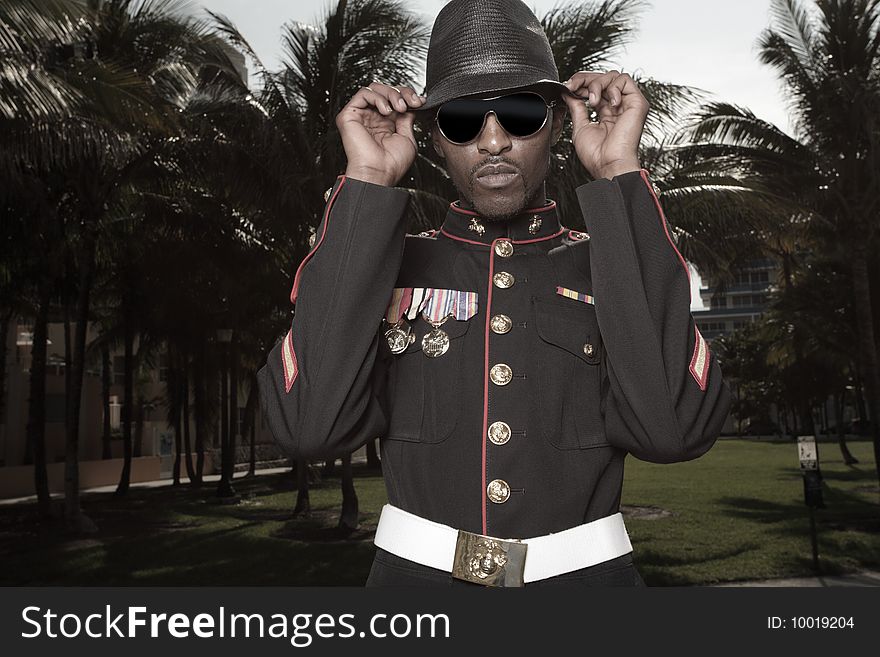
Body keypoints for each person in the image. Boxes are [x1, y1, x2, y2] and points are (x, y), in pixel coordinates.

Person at [258, 0, 732, 587]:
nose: (492, 142)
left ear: (558, 125)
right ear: (433, 138)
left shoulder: (609, 265)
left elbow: (674, 430)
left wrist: (618, 171)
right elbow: (310, 427)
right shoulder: (390, 268)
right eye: (461, 120)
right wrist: (369, 180)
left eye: (519, 113)